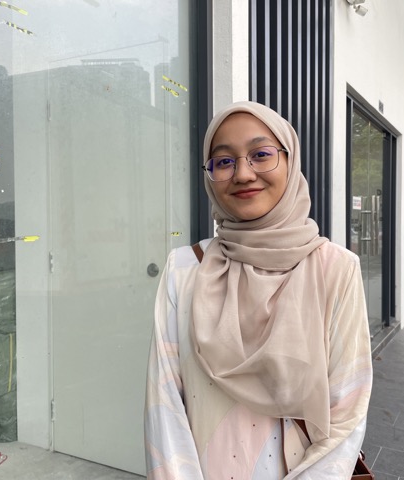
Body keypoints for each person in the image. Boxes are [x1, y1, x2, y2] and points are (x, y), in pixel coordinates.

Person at [144, 101, 372, 479]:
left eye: (261, 154)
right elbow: (163, 404)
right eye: (223, 161)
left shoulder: (336, 269)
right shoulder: (183, 269)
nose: (243, 174)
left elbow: (348, 410)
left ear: (290, 160)